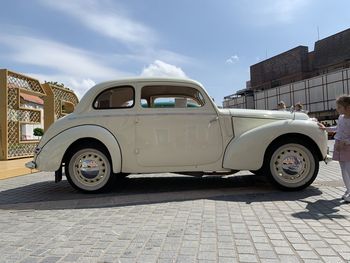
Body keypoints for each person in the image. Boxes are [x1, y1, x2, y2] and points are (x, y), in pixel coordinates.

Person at [320, 95, 350, 202]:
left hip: (347, 147)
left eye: (339, 107)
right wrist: (326, 128)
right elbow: (337, 128)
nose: (337, 109)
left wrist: (346, 142)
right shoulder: (341, 118)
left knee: (348, 169)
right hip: (339, 145)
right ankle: (348, 189)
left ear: (347, 107)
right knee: (343, 169)